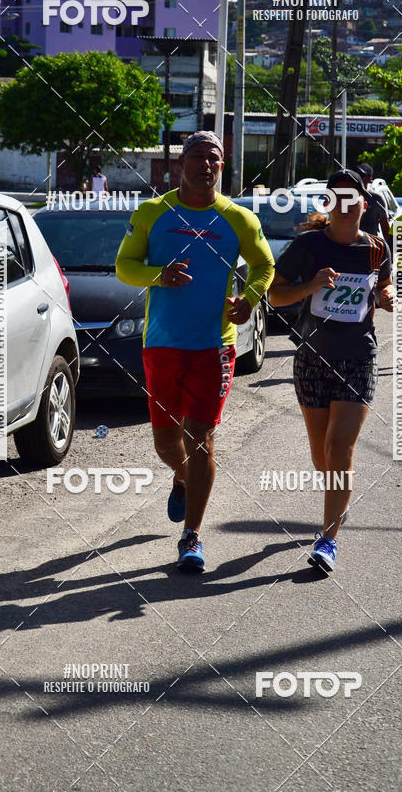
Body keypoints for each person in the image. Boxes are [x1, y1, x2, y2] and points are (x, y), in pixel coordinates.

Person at [115, 131, 275, 572]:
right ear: (180, 164)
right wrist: (158, 276)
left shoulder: (238, 218)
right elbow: (123, 266)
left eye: (215, 159)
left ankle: (192, 537)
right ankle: (181, 476)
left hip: (214, 346)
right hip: (162, 343)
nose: (207, 164)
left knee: (200, 439)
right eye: (199, 156)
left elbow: (264, 264)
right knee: (166, 441)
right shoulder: (152, 212)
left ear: (223, 167)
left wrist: (250, 298)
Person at [269, 168, 394, 574]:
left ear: (363, 205)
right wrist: (311, 286)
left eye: (351, 197)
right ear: (329, 204)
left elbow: (383, 287)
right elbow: (274, 294)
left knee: (340, 449)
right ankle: (337, 500)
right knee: (322, 455)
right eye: (335, 197)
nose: (344, 204)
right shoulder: (308, 246)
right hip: (312, 358)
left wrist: (386, 296)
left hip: (358, 355)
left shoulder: (376, 248)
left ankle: (328, 540)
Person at [356, 163, 390, 241]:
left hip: (370, 246)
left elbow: (385, 226)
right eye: (356, 174)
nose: (358, 177)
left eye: (361, 175)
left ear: (369, 178)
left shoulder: (376, 198)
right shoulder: (346, 196)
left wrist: (389, 249)